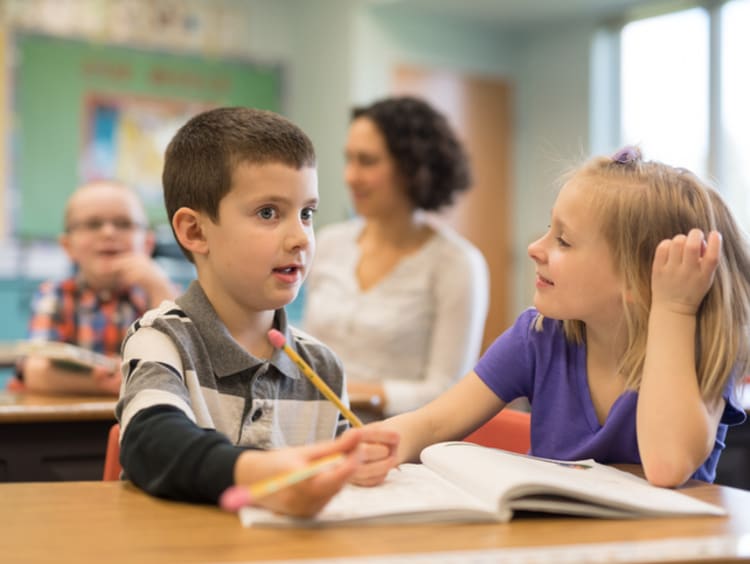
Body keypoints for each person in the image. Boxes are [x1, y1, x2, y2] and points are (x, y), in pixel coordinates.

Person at [353, 146, 750, 489]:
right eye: (549, 229)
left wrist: (672, 308)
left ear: (637, 278)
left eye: (564, 240)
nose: (534, 248)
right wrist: (371, 445)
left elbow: (667, 467)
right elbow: (433, 425)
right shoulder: (537, 336)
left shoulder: (703, 349)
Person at [116, 107, 398, 515]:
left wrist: (359, 464)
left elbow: (334, 474)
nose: (301, 237)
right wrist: (257, 473)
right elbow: (151, 441)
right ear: (195, 231)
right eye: (269, 213)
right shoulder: (162, 339)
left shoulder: (321, 366)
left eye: (307, 213)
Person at [303, 96, 489, 419]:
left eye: (367, 161)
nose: (351, 176)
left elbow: (448, 390)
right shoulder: (330, 242)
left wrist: (353, 393)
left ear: (411, 168)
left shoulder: (457, 264)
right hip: (309, 426)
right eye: (349, 160)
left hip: (394, 440)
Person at [13, 180, 179, 395]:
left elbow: (189, 365)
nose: (108, 233)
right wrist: (113, 384)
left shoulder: (161, 292)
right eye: (93, 224)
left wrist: (159, 288)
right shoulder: (56, 295)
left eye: (123, 223)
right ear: (68, 246)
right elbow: (35, 372)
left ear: (147, 243)